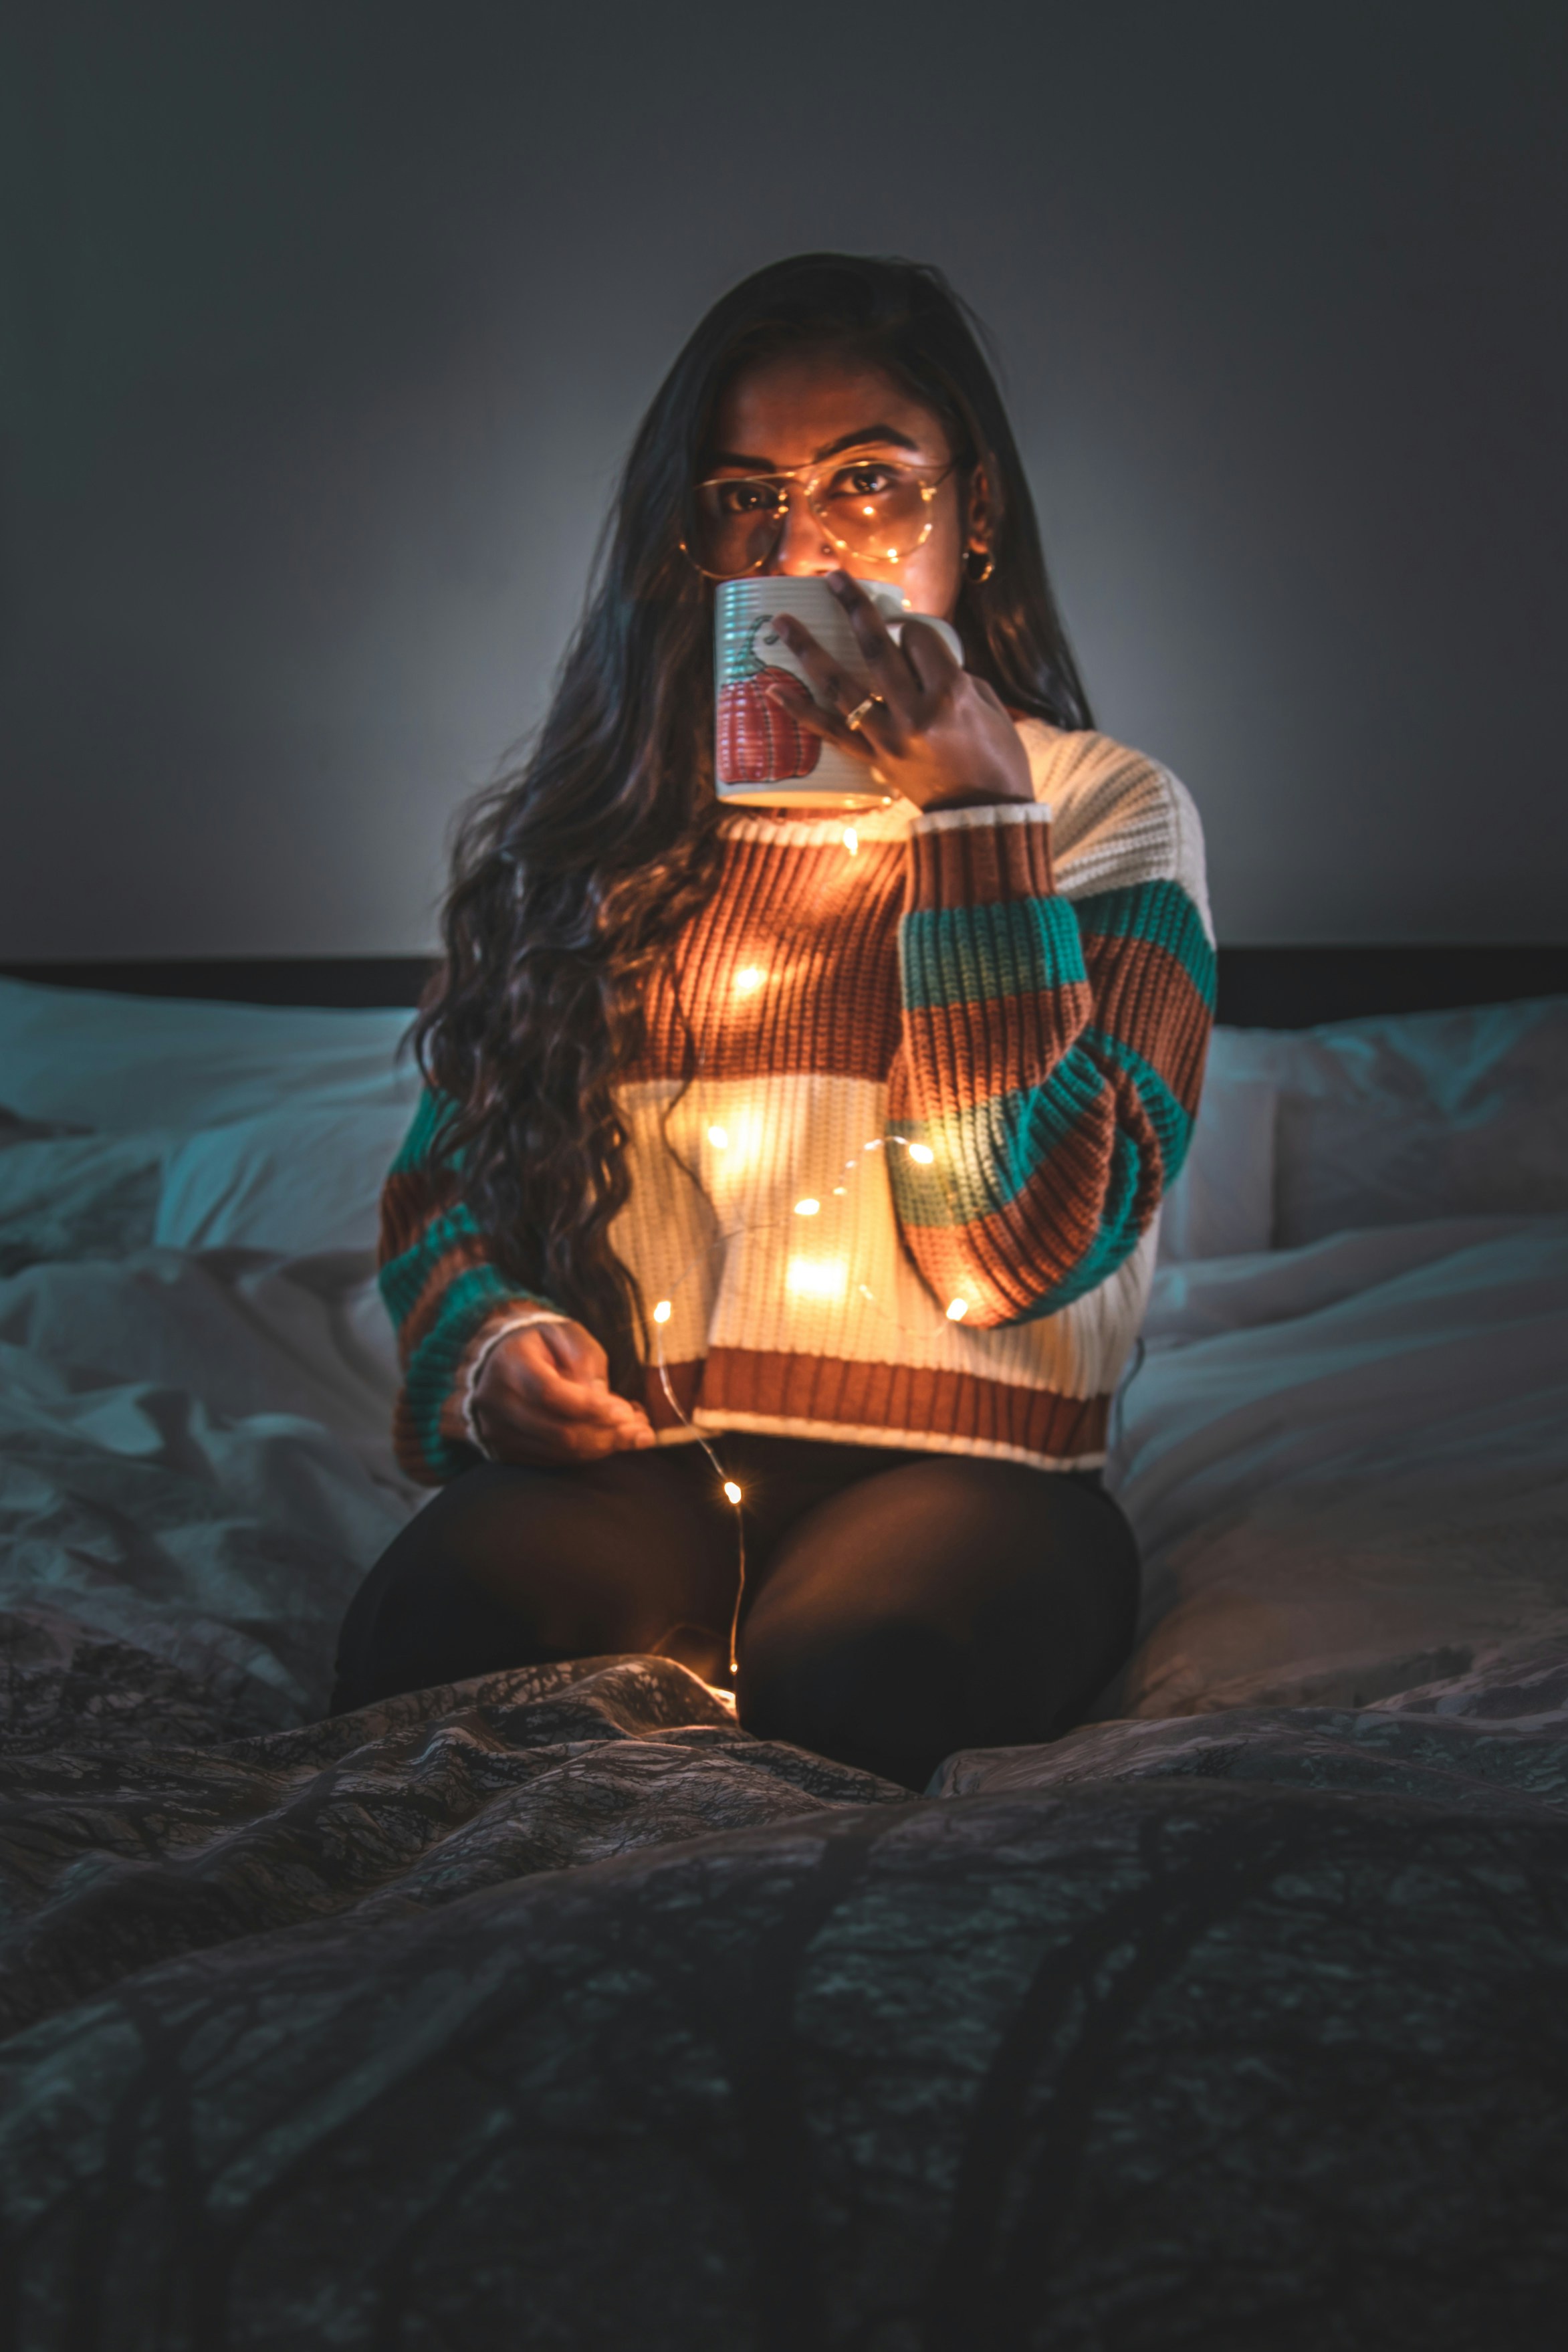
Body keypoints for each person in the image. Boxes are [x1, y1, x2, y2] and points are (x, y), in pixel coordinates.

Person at [332, 253, 1215, 1790]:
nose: (804, 542)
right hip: (649, 1461)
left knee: (871, 1686)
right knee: (431, 1650)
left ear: (976, 509)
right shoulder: (603, 838)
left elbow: (1011, 1248)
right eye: (747, 496)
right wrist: (493, 1346)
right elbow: (442, 1199)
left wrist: (976, 823)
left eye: (868, 480)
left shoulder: (1102, 814)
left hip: (974, 1470)